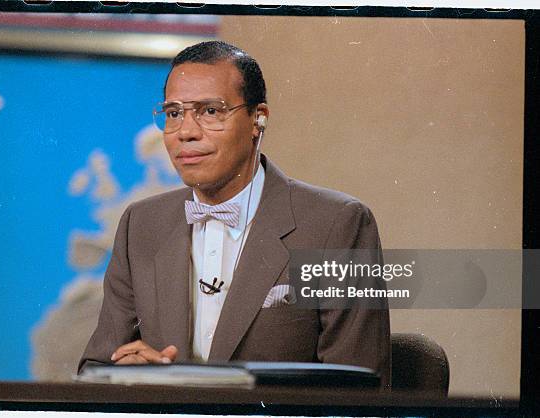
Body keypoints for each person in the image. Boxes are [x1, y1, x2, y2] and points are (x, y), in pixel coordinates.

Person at [79, 41, 391, 388]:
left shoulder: (337, 225)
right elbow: (95, 368)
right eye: (173, 113)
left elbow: (358, 394)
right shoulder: (140, 224)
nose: (186, 132)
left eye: (210, 111)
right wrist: (126, 373)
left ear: (258, 119)